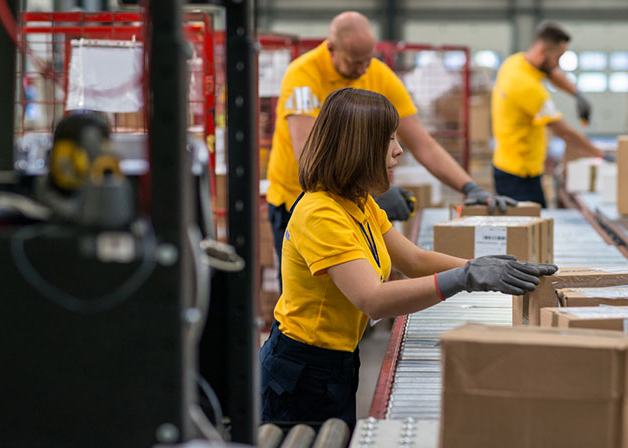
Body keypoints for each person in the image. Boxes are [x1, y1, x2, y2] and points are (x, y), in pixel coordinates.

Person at [259, 88, 557, 429]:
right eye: (388, 140)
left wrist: (483, 268)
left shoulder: (358, 202)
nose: (398, 150)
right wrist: (464, 280)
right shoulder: (320, 214)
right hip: (300, 372)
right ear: (359, 147)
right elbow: (373, 300)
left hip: (336, 361)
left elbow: (412, 259)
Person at [267, 11, 515, 287]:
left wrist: (470, 188)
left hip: (351, 195)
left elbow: (422, 143)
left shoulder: (377, 74)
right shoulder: (303, 76)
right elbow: (309, 152)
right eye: (354, 62)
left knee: (356, 284)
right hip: (297, 196)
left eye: (367, 60)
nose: (363, 69)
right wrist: (371, 189)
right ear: (331, 48)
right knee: (314, 286)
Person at [491, 22, 609, 208]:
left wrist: (577, 94)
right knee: (531, 229)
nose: (558, 64)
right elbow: (564, 132)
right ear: (542, 50)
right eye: (558, 57)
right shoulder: (528, 88)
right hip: (519, 176)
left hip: (509, 166)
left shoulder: (515, 62)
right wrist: (601, 154)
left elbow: (552, 73)